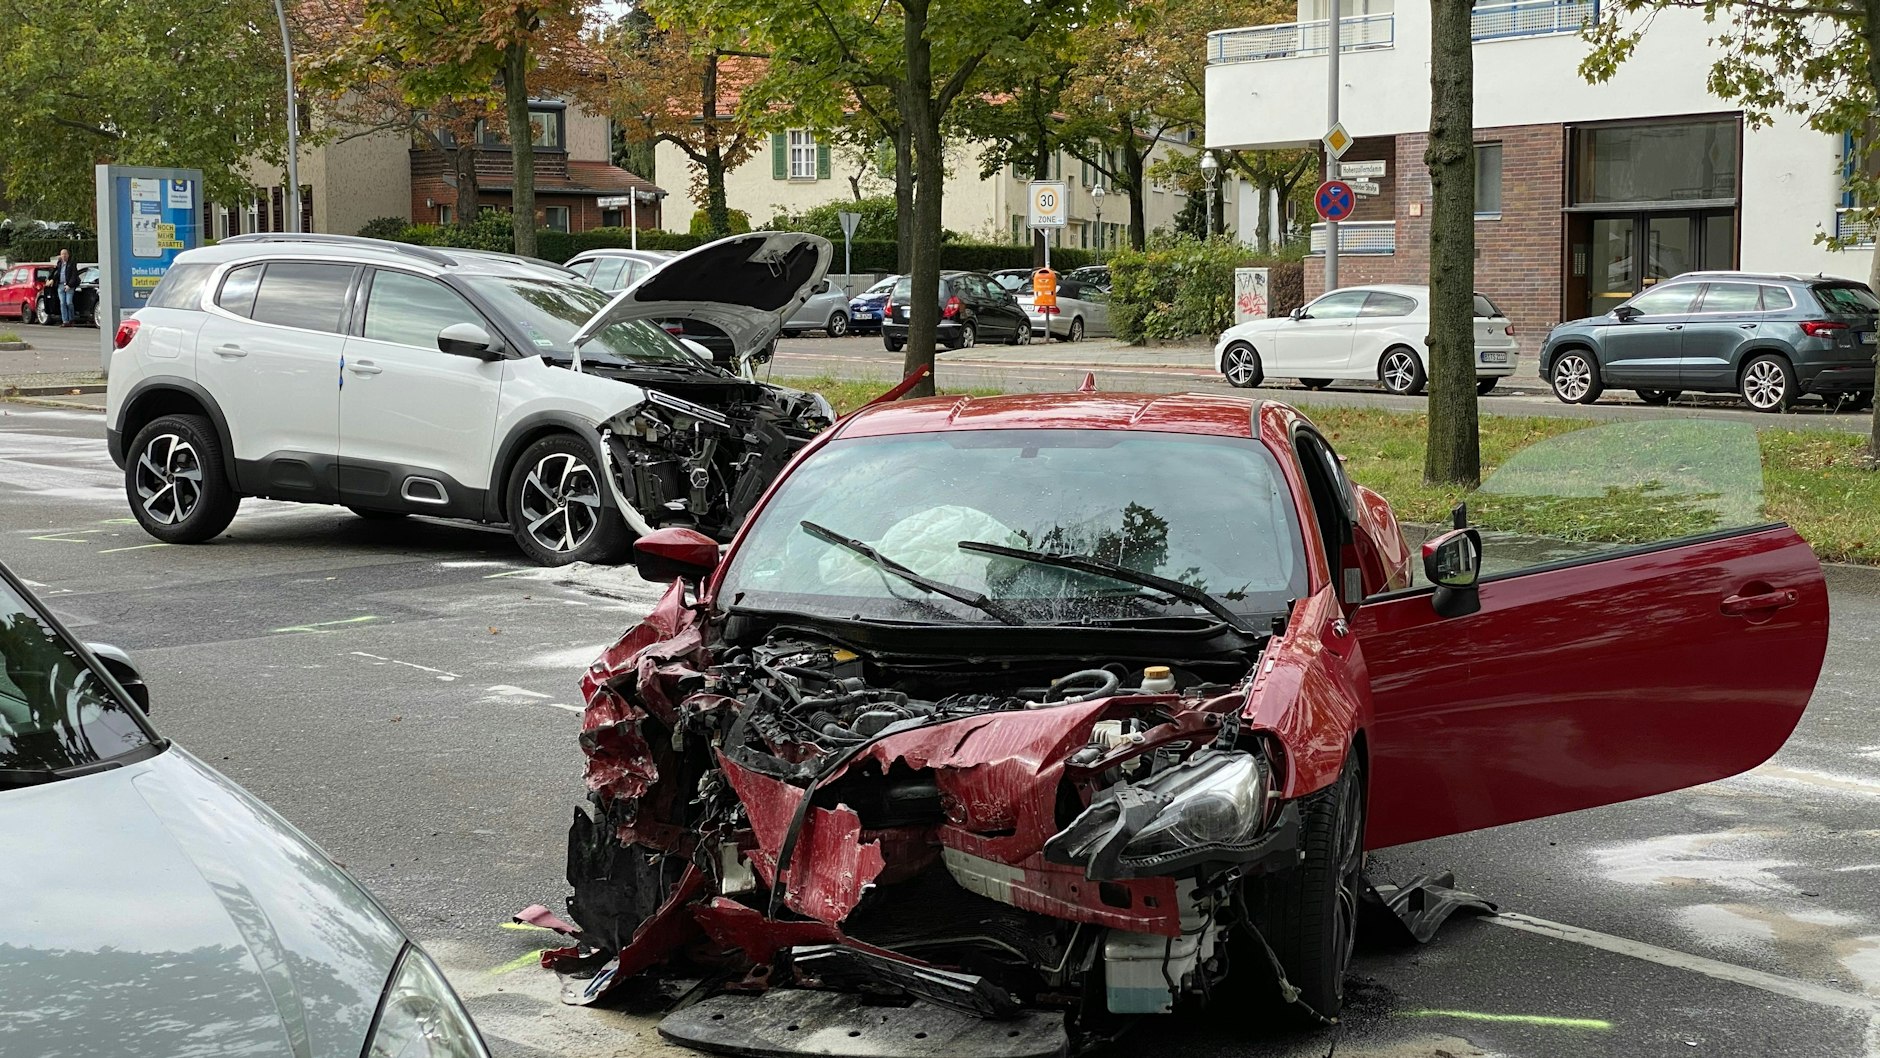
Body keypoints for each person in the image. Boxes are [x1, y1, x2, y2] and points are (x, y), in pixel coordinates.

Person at [52, 248, 79, 327]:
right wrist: (52, 279)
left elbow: (74, 276)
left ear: (68, 255)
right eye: (62, 254)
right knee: (62, 303)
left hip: (69, 286)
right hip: (60, 285)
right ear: (60, 255)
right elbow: (57, 273)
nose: (64, 256)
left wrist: (69, 285)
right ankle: (65, 321)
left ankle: (71, 319)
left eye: (65, 254)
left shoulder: (72, 263)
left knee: (69, 302)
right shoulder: (59, 263)